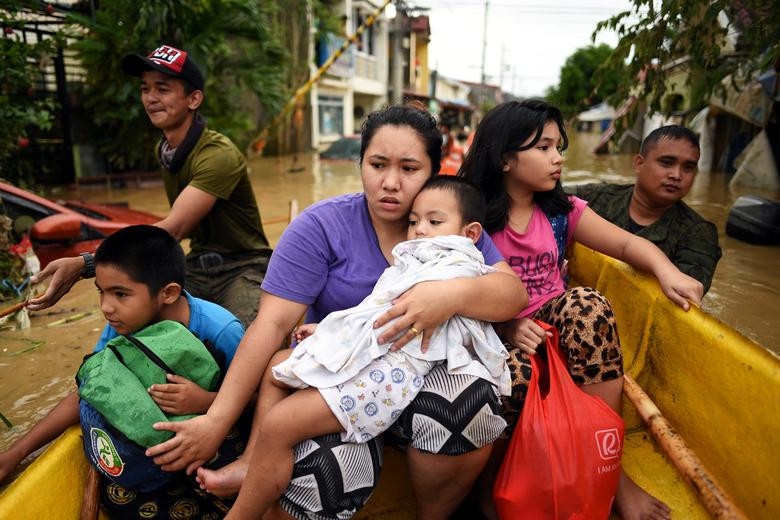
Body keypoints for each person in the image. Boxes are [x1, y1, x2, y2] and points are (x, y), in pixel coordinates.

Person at [144, 104, 528, 520]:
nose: (390, 183)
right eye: (377, 165)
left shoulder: (446, 225)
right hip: (347, 387)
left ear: (434, 172)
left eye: (409, 168)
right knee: (325, 469)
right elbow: (271, 325)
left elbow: (510, 293)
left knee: (470, 403)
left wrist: (448, 297)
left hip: (419, 380)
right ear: (360, 164)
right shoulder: (321, 227)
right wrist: (216, 422)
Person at [461, 100, 704, 520]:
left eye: (559, 147)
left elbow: (626, 243)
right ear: (504, 158)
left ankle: (610, 469)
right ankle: (488, 487)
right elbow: (454, 291)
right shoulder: (471, 216)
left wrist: (667, 272)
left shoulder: (563, 212)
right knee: (514, 377)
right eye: (543, 148)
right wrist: (507, 325)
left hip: (556, 325)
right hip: (493, 332)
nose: (557, 158)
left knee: (588, 305)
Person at [221, 176, 512, 518]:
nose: (420, 229)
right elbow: (379, 309)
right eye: (414, 221)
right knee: (277, 370)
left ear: (471, 233)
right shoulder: (419, 255)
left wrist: (452, 296)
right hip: (384, 360)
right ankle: (250, 463)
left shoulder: (447, 262)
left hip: (390, 373)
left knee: (279, 424)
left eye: (434, 222)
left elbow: (394, 316)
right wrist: (329, 330)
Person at [0, 225, 246, 518]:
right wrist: (15, 454)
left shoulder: (221, 330)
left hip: (215, 440)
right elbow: (93, 390)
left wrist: (205, 401)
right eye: (101, 292)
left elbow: (258, 399)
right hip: (158, 451)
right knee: (116, 496)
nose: (106, 307)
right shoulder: (122, 326)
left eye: (120, 294)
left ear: (168, 293)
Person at [27, 44, 272, 327]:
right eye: (145, 89)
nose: (151, 98)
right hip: (195, 266)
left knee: (245, 338)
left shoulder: (218, 155)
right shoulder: (166, 150)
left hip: (244, 267)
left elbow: (174, 229)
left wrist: (86, 263)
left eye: (162, 89)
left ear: (193, 99)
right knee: (135, 322)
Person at [569, 125, 722, 293]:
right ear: (639, 163)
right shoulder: (592, 197)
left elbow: (686, 295)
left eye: (688, 167)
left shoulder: (699, 233)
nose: (676, 175)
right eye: (666, 163)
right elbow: (550, 196)